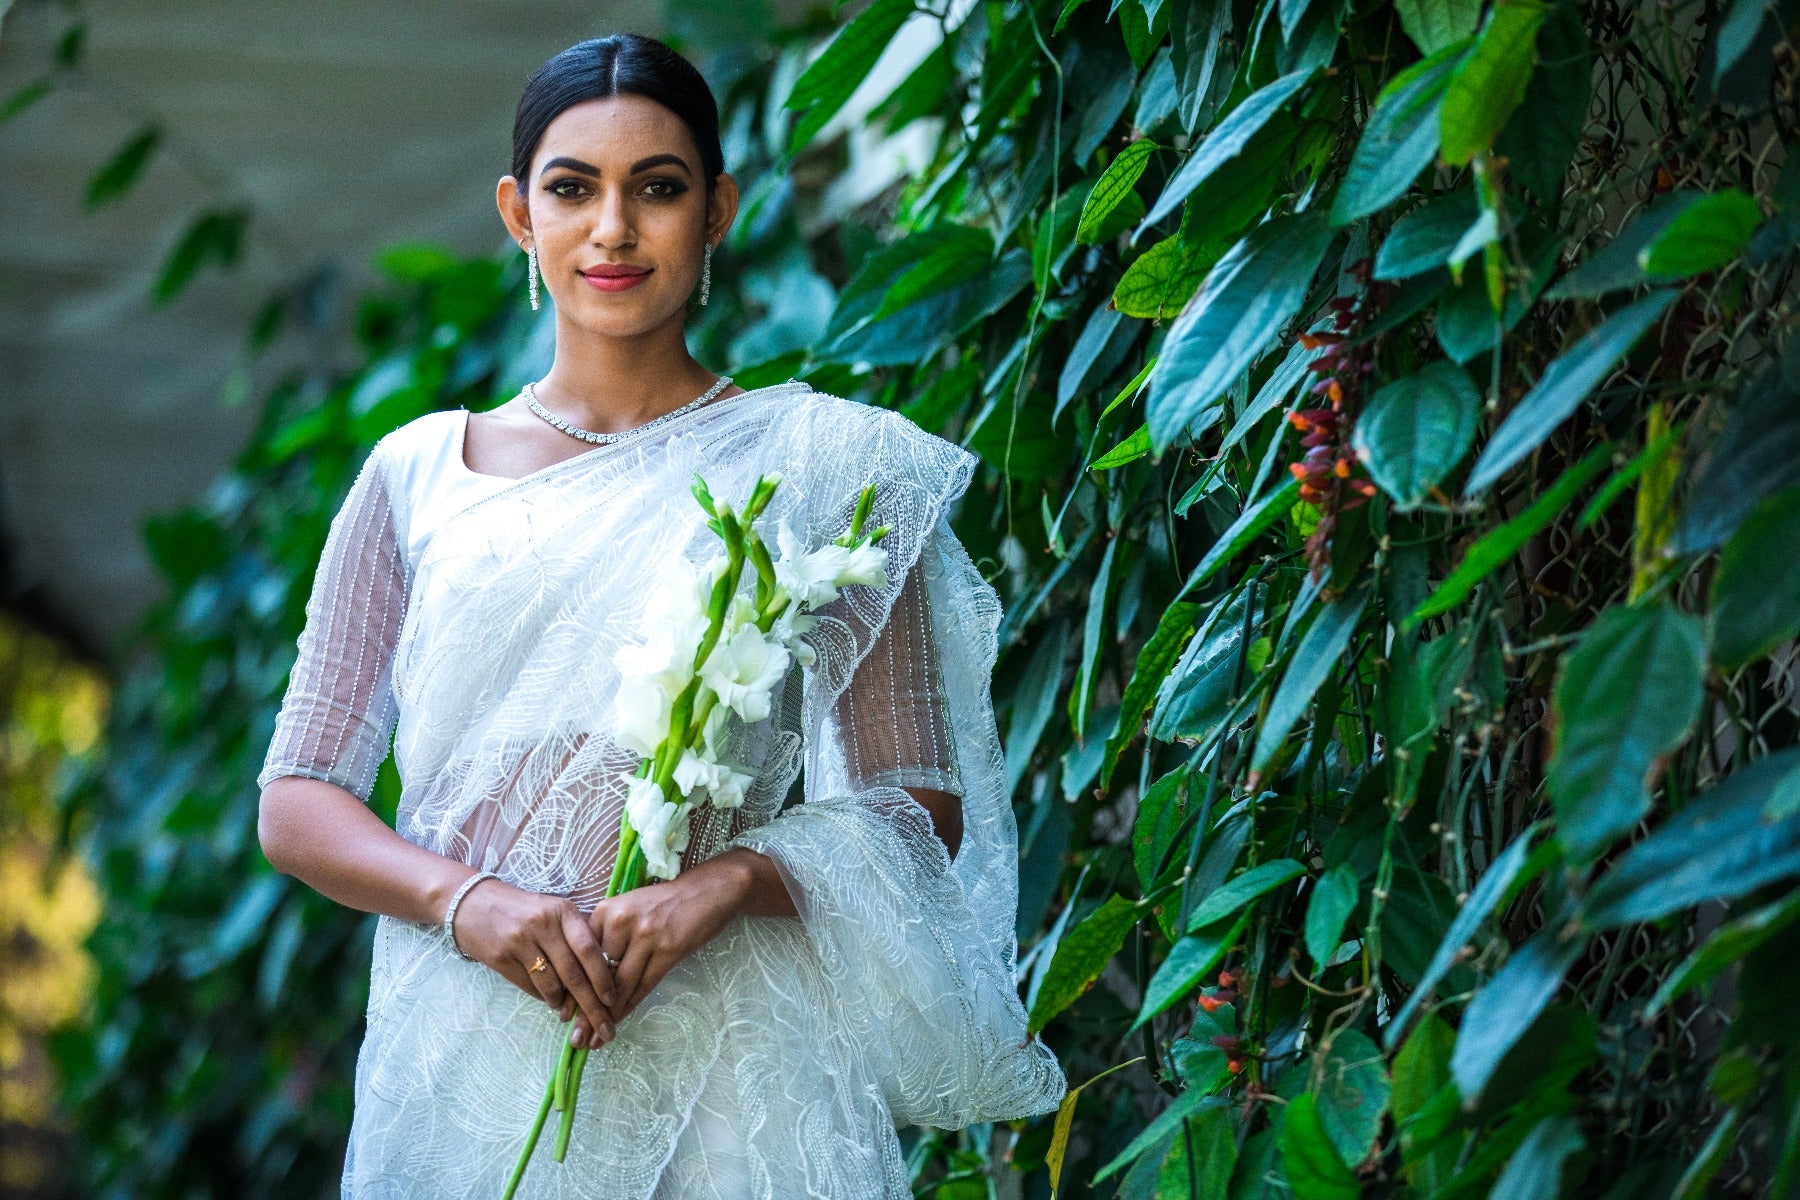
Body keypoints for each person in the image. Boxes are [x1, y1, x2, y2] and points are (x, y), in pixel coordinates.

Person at [255, 32, 1066, 1200]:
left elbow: (918, 805)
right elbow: (298, 796)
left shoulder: (823, 467)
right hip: (466, 1058)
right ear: (516, 213)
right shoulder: (417, 474)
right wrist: (467, 902)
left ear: (721, 209)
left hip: (741, 1071)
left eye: (661, 188)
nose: (615, 229)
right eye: (572, 187)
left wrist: (722, 886)